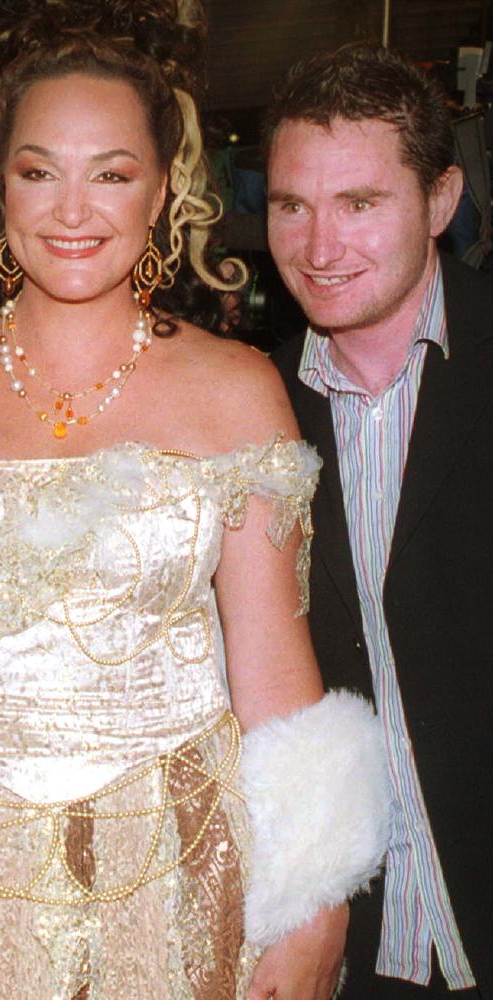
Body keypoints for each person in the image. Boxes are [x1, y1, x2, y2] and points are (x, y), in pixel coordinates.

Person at [0, 6, 390, 998]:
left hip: (175, 876)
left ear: (162, 190)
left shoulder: (233, 387)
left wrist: (315, 901)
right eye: (38, 169)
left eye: (111, 173)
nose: (71, 208)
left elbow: (275, 675)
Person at [269, 43, 493, 1000]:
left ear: (441, 202)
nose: (320, 248)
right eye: (292, 206)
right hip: (358, 945)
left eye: (360, 204)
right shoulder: (254, 405)